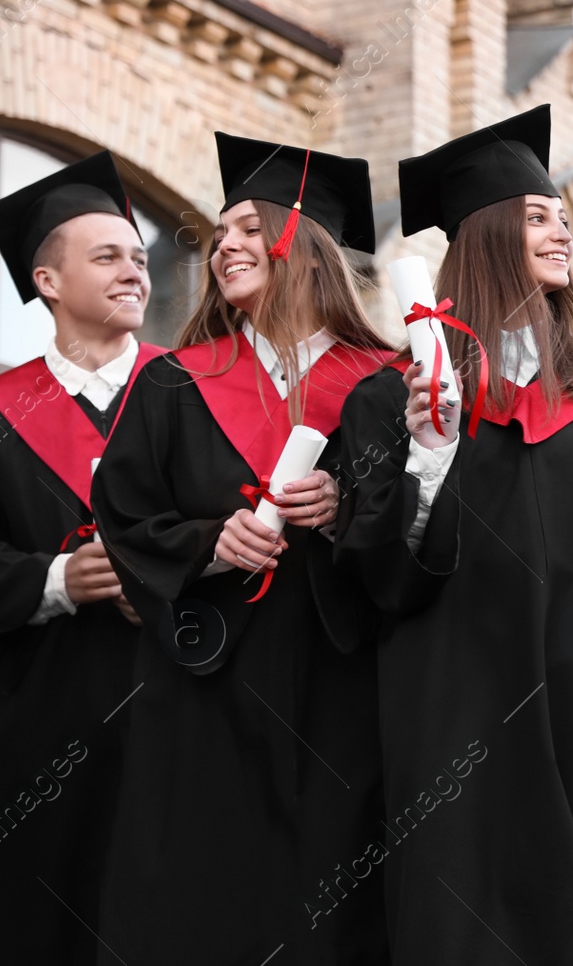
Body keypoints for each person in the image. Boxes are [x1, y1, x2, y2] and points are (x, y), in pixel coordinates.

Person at [334, 104, 573, 966]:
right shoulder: (388, 401)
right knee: (457, 913)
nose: (561, 234)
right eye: (539, 216)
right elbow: (373, 578)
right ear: (486, 235)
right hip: (452, 701)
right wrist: (429, 452)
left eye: (565, 220)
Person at [91, 135, 394, 963]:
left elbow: (422, 535)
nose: (222, 246)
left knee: (330, 904)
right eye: (217, 235)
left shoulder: (384, 383)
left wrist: (343, 510)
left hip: (340, 689)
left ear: (300, 243)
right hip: (204, 688)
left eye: (247, 229)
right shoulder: (173, 381)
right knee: (202, 893)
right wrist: (210, 544)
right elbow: (122, 515)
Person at [0, 152, 162, 964]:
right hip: (40, 726)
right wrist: (59, 579)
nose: (134, 270)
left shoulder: (193, 394)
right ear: (48, 282)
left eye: (139, 256)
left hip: (182, 711)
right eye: (107, 256)